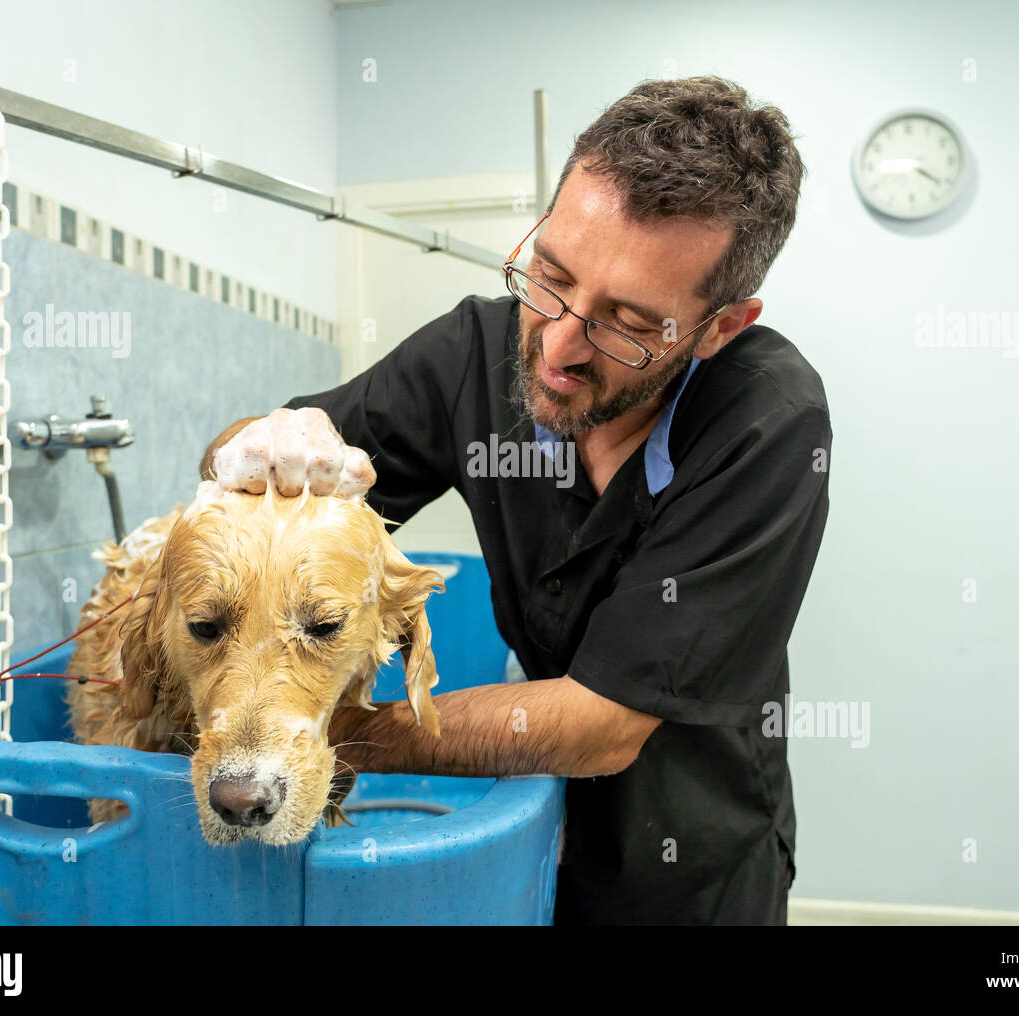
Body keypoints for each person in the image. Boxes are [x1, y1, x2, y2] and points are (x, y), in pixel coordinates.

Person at [200, 75, 831, 925]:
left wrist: (310, 741)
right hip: (537, 832)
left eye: (627, 324)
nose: (558, 348)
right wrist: (257, 443)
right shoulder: (473, 350)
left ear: (719, 326)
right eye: (551, 276)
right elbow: (245, 477)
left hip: (694, 853)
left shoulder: (766, 421)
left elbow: (601, 725)